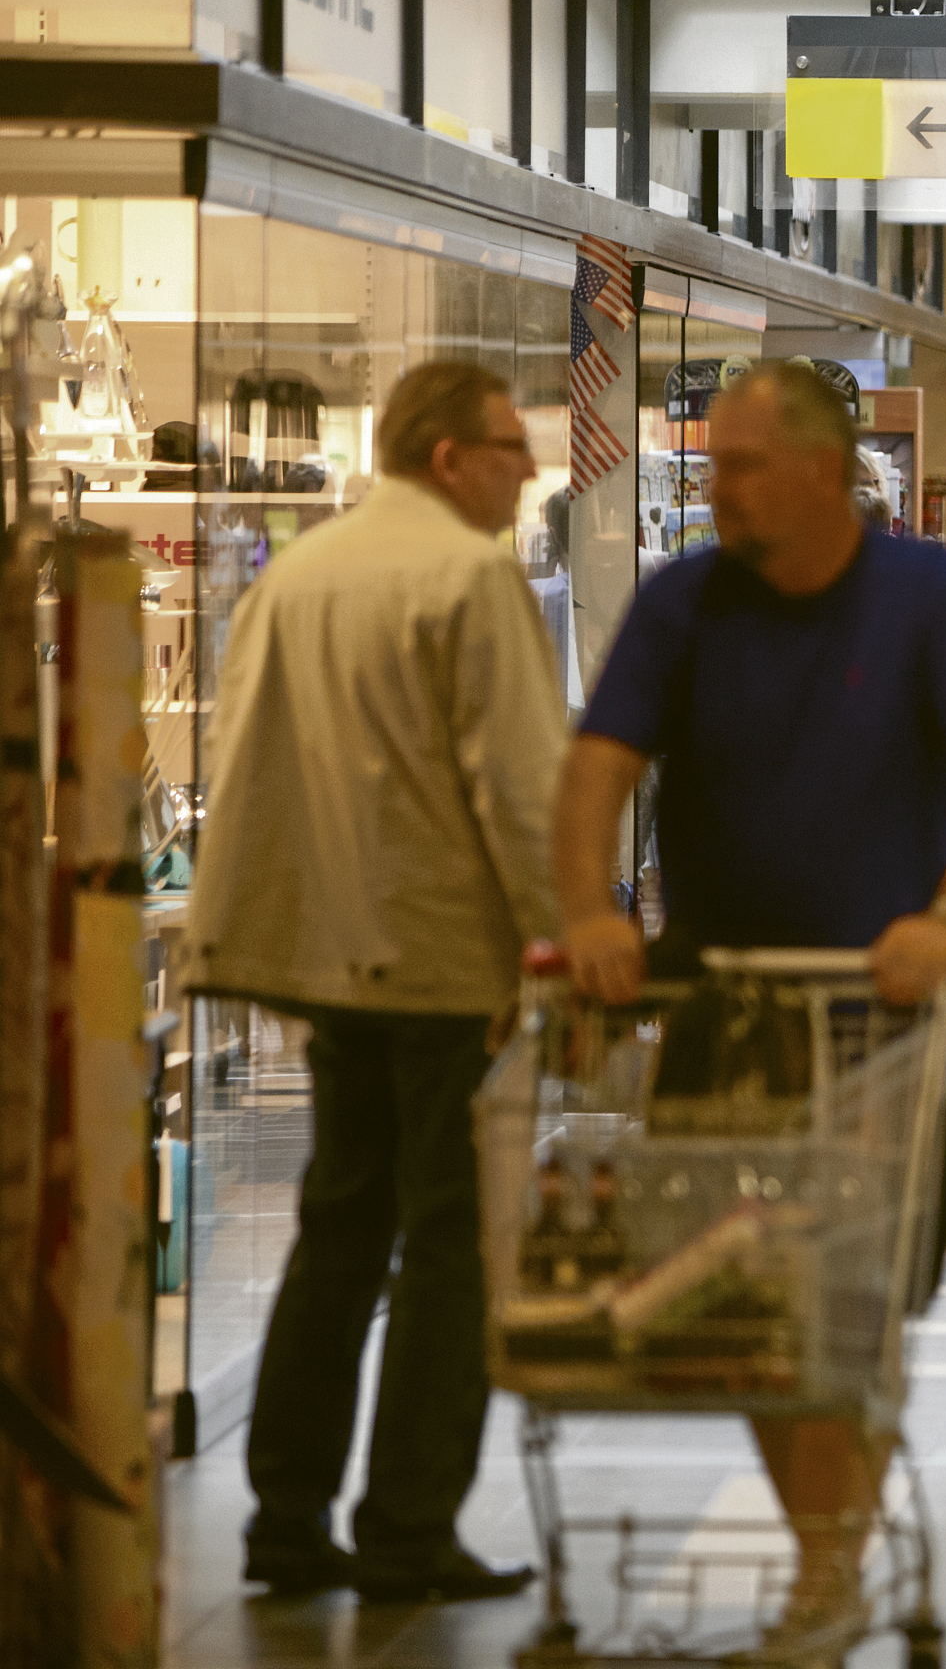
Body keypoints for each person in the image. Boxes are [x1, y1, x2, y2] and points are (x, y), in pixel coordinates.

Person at [553, 363, 946, 1653]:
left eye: (739, 465)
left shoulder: (934, 598)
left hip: (898, 1024)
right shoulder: (685, 603)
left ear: (823, 472)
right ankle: (831, 1562)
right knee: (747, 1306)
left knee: (857, 1302)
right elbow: (595, 768)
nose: (715, 488)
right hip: (731, 1010)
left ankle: (827, 1564)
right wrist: (594, 914)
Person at [187, 361, 560, 1603]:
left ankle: (284, 1518)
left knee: (338, 1229)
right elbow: (516, 788)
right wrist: (556, 943)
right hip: (444, 958)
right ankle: (408, 1520)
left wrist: (243, 941)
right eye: (512, 445)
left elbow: (246, 763)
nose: (529, 467)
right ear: (451, 455)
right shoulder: (468, 573)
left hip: (326, 956)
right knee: (450, 1245)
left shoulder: (301, 572)